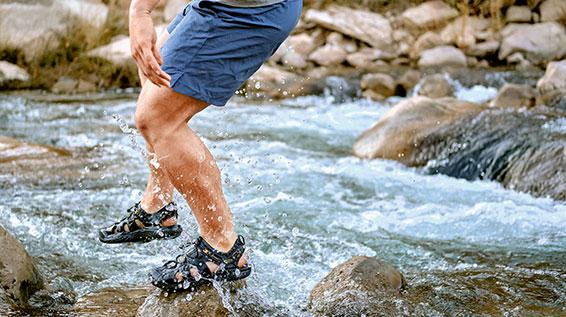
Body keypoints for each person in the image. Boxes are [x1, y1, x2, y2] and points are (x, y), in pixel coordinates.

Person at [98, 0, 302, 292]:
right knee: (154, 64)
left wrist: (140, 10)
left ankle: (222, 247)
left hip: (245, 12)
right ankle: (157, 202)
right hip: (231, 5)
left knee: (157, 117)